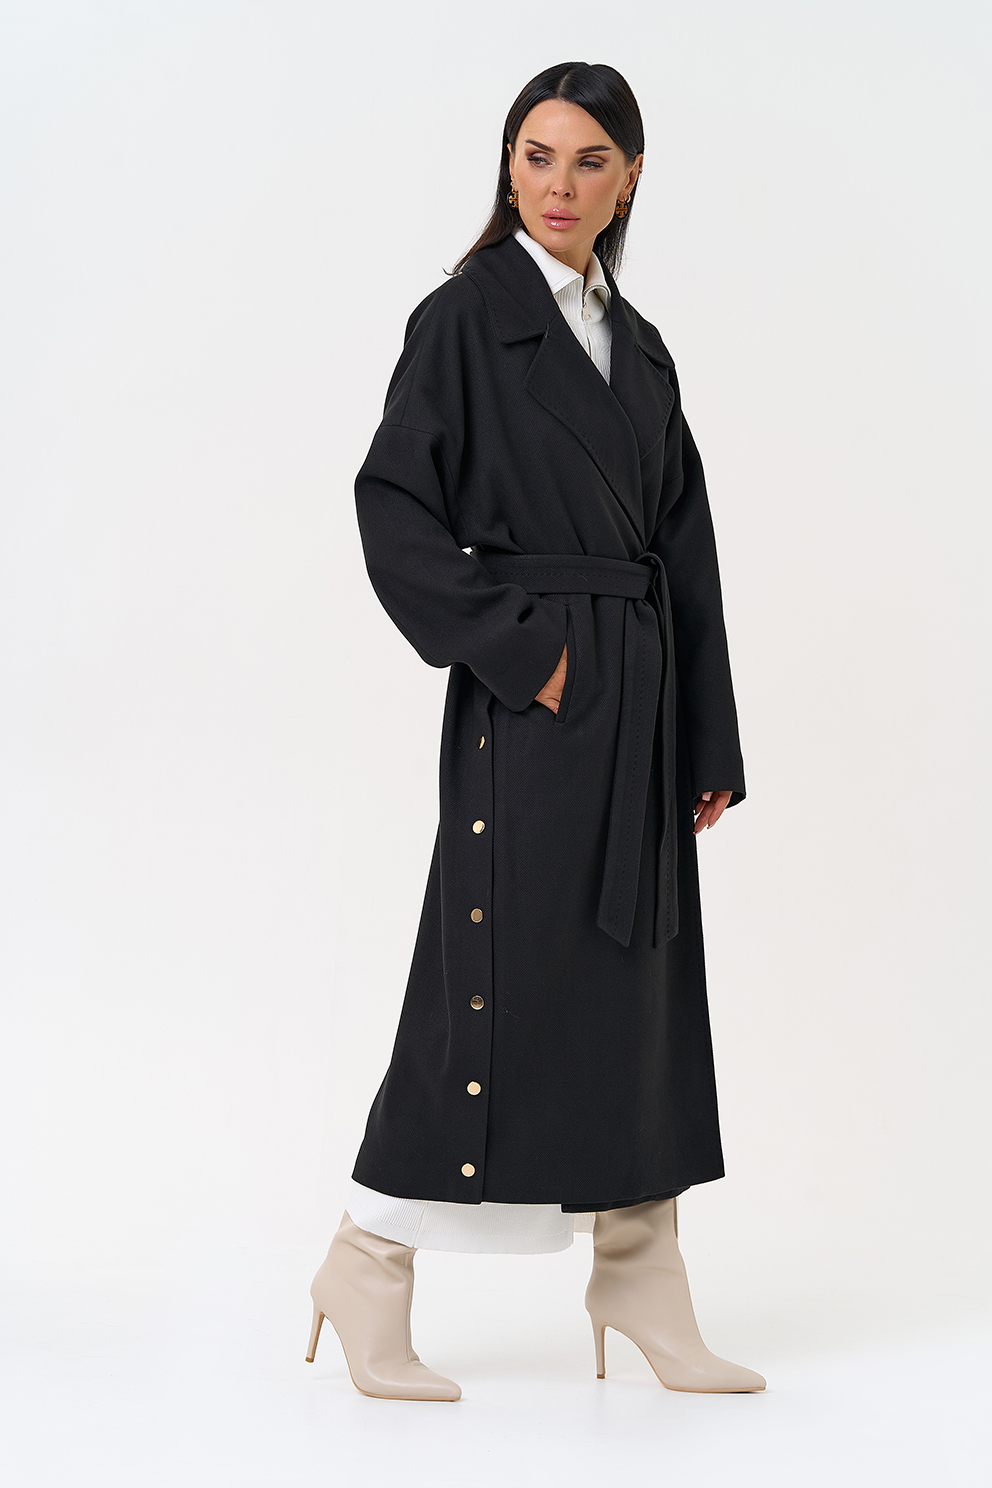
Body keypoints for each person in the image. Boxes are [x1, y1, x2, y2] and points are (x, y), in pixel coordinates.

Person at [306, 60, 765, 1401]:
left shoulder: (640, 344)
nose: (558, 186)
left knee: (638, 986)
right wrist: (526, 656)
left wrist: (708, 739)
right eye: (535, 156)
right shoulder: (466, 319)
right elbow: (393, 506)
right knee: (491, 989)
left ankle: (641, 1275)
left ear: (631, 175)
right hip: (537, 699)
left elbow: (685, 549)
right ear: (508, 166)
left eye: (589, 160)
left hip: (641, 698)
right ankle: (367, 1262)